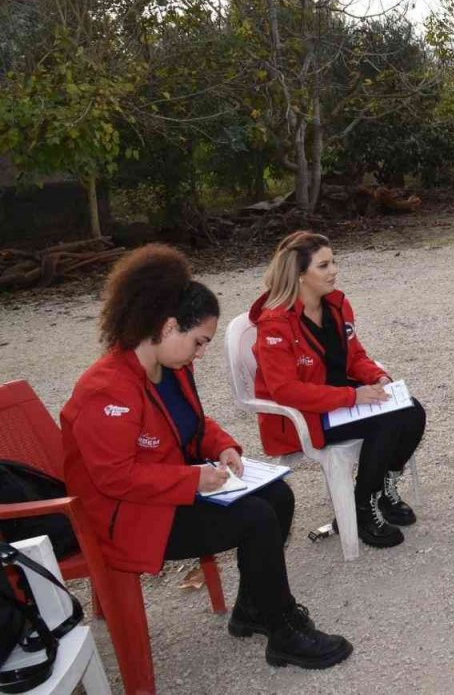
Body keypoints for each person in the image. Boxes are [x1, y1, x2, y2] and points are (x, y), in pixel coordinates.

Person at [60, 245, 352, 670]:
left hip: (160, 495)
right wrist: (193, 481)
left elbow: (193, 425)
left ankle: (253, 609)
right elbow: (114, 478)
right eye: (199, 342)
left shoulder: (172, 367)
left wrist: (222, 446)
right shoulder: (106, 390)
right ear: (168, 326)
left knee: (279, 497)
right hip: (125, 517)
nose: (201, 353)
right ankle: (282, 628)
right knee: (256, 518)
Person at [250, 231, 425, 549]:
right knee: (387, 421)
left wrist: (378, 377)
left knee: (412, 411)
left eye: (333, 262)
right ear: (300, 274)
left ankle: (383, 489)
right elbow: (285, 390)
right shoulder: (275, 323)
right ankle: (362, 508)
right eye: (323, 265)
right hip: (308, 417)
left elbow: (355, 356)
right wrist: (353, 397)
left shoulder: (336, 304)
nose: (334, 271)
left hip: (339, 402)